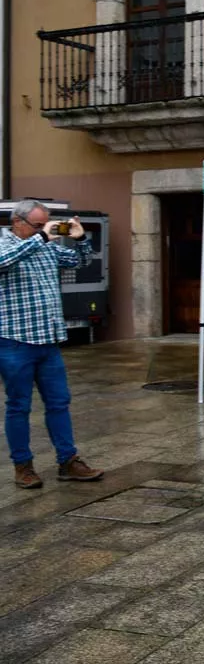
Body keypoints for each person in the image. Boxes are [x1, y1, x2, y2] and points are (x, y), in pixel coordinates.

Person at [0, 200, 104, 489]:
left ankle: (68, 462)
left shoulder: (45, 247)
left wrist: (80, 238)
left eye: (47, 223)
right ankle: (23, 467)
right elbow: (4, 262)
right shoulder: (4, 245)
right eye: (38, 224)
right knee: (18, 407)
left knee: (59, 403)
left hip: (48, 342)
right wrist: (42, 237)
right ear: (17, 222)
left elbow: (81, 261)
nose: (45, 229)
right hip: (14, 342)